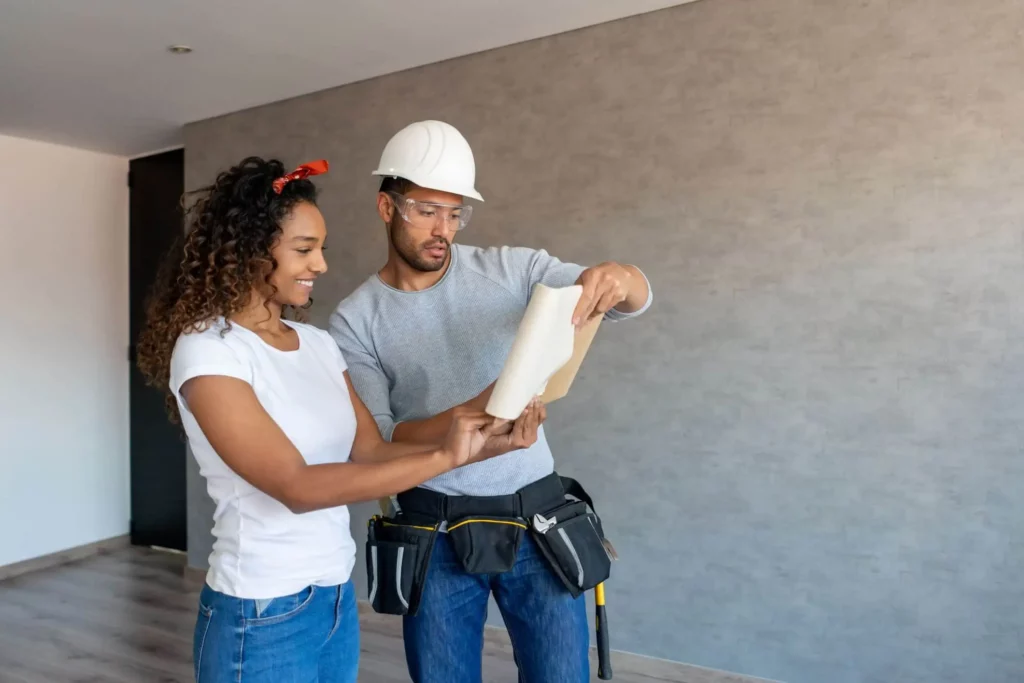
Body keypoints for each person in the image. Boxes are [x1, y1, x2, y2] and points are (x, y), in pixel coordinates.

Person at [135, 156, 544, 683]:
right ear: (250, 250)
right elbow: (297, 487)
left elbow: (371, 452)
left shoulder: (317, 344)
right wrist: (446, 456)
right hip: (259, 610)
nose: (320, 265)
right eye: (304, 249)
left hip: (333, 597)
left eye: (321, 249)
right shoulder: (210, 350)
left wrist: (482, 447)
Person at [328, 120, 653, 683]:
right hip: (434, 532)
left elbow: (631, 300)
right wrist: (472, 413)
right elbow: (379, 441)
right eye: (427, 210)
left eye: (455, 214)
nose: (443, 229)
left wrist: (620, 277)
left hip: (537, 521)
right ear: (387, 208)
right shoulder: (355, 321)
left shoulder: (513, 269)